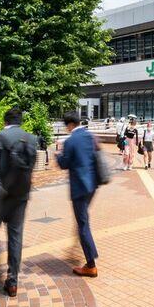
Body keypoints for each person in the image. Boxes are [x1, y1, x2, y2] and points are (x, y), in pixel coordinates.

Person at [0, 108, 38, 297]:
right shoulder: (31, 139)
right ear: (21, 121)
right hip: (21, 196)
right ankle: (13, 280)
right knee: (15, 237)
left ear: (5, 121)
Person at [57, 111, 99, 277]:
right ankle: (78, 246)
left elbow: (64, 164)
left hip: (79, 188)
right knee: (82, 220)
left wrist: (58, 154)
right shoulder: (89, 135)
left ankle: (91, 264)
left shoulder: (71, 141)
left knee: (83, 224)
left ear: (70, 125)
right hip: (92, 185)